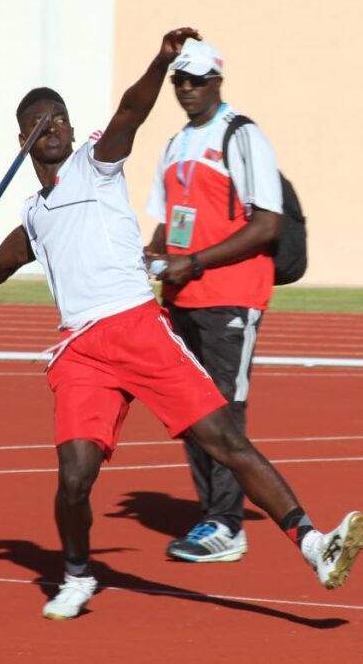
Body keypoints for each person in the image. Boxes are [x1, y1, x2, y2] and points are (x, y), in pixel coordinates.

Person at [0, 28, 363, 621]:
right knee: (74, 477)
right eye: (39, 122)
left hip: (137, 326)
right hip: (81, 350)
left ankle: (313, 543)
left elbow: (131, 110)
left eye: (59, 118)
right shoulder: (33, 214)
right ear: (23, 137)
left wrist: (161, 62)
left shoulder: (97, 163)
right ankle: (78, 576)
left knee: (224, 440)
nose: (52, 127)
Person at [143, 39, 283, 564]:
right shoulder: (175, 141)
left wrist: (196, 262)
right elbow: (167, 220)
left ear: (217, 81)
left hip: (230, 297)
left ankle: (227, 524)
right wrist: (154, 254)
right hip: (182, 295)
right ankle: (212, 516)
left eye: (196, 80)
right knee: (189, 410)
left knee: (223, 411)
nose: (186, 89)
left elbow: (268, 224)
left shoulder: (242, 135)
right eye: (180, 80)